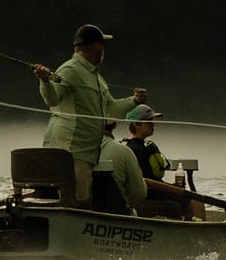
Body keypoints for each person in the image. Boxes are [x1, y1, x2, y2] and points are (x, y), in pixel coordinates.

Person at [31, 24, 147, 204]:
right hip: (71, 152)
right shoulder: (69, 70)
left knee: (81, 199)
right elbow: (53, 100)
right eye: (103, 45)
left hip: (86, 153)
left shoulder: (96, 77)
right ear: (97, 47)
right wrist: (45, 81)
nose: (104, 50)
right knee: (78, 202)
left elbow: (110, 109)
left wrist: (135, 101)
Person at [122, 104, 206, 220]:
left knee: (185, 194)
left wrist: (173, 187)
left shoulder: (143, 147)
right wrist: (173, 189)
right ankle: (200, 231)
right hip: (149, 193)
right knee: (195, 199)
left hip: (153, 190)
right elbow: (145, 181)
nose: (153, 125)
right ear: (137, 125)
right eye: (149, 122)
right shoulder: (136, 150)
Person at [94, 120, 147, 215]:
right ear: (115, 125)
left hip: (86, 210)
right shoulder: (124, 152)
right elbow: (139, 193)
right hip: (117, 213)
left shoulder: (75, 149)